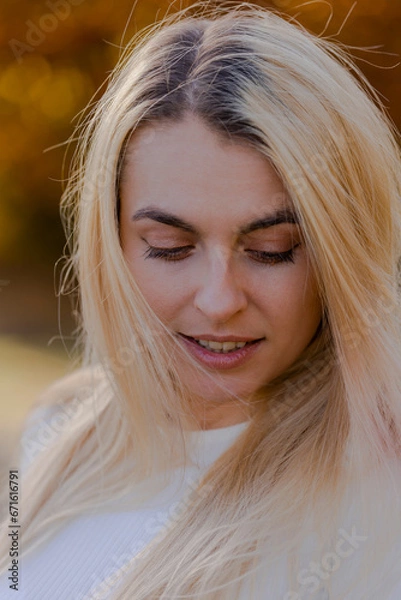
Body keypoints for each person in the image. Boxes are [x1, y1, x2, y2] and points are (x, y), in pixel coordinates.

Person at [1, 3, 401, 599]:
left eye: (271, 249)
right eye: (169, 245)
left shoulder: (375, 513)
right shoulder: (58, 431)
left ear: (339, 253)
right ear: (110, 242)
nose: (219, 301)